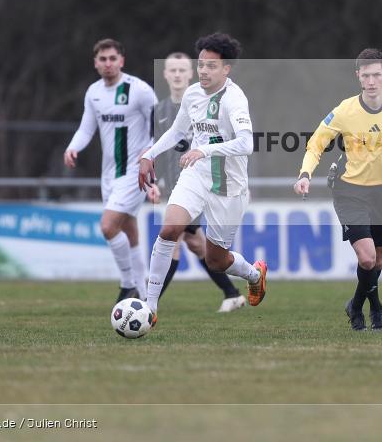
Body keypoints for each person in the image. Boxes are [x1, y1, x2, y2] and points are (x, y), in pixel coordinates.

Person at [138, 33, 266, 324]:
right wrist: (149, 155)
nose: (204, 71)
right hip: (195, 177)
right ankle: (150, 308)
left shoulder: (235, 99)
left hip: (229, 188)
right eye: (201, 65)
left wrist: (204, 150)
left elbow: (247, 144)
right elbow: (176, 131)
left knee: (216, 260)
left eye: (211, 65)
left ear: (226, 69)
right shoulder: (193, 94)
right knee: (170, 229)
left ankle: (254, 274)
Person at [294, 48, 382, 331]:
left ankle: (357, 305)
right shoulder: (344, 110)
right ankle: (374, 309)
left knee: (378, 259)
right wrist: (305, 174)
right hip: (349, 190)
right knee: (366, 257)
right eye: (366, 76)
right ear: (358, 77)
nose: (372, 81)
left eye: (377, 74)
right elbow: (316, 143)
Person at [153, 51, 246, 312]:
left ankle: (148, 304)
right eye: (173, 70)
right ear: (165, 74)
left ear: (190, 73)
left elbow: (235, 140)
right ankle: (232, 292)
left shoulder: (208, 101)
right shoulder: (159, 110)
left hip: (208, 184)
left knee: (173, 239)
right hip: (177, 187)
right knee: (196, 244)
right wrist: (154, 182)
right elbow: (162, 150)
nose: (177, 74)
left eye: (182, 70)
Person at [64, 39, 157, 301]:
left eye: (112, 58)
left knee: (107, 227)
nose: (108, 63)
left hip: (134, 172)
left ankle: (128, 284)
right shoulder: (93, 92)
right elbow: (86, 128)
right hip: (109, 174)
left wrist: (148, 152)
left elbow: (162, 126)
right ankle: (145, 290)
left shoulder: (139, 90)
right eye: (102, 59)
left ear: (122, 61)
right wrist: (73, 147)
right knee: (129, 230)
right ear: (95, 63)